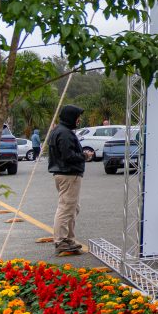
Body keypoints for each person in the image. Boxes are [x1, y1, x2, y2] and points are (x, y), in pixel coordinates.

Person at [47, 105, 93, 257]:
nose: (79, 120)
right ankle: (61, 241)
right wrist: (84, 156)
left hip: (63, 174)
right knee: (66, 208)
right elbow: (68, 156)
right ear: (70, 117)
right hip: (68, 174)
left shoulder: (59, 131)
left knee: (72, 208)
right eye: (77, 116)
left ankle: (68, 239)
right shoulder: (65, 133)